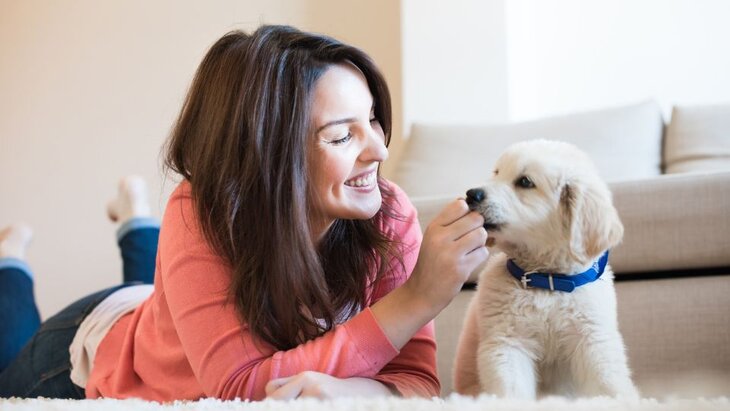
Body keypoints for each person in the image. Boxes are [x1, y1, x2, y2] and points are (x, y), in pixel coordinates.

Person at [0, 25, 488, 401]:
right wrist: (418, 298)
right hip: (92, 345)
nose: (379, 150)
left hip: (166, 312)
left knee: (161, 292)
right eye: (342, 136)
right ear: (268, 155)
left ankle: (134, 221)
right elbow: (236, 388)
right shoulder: (203, 209)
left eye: (374, 122)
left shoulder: (387, 213)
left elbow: (416, 383)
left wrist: (344, 390)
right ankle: (13, 259)